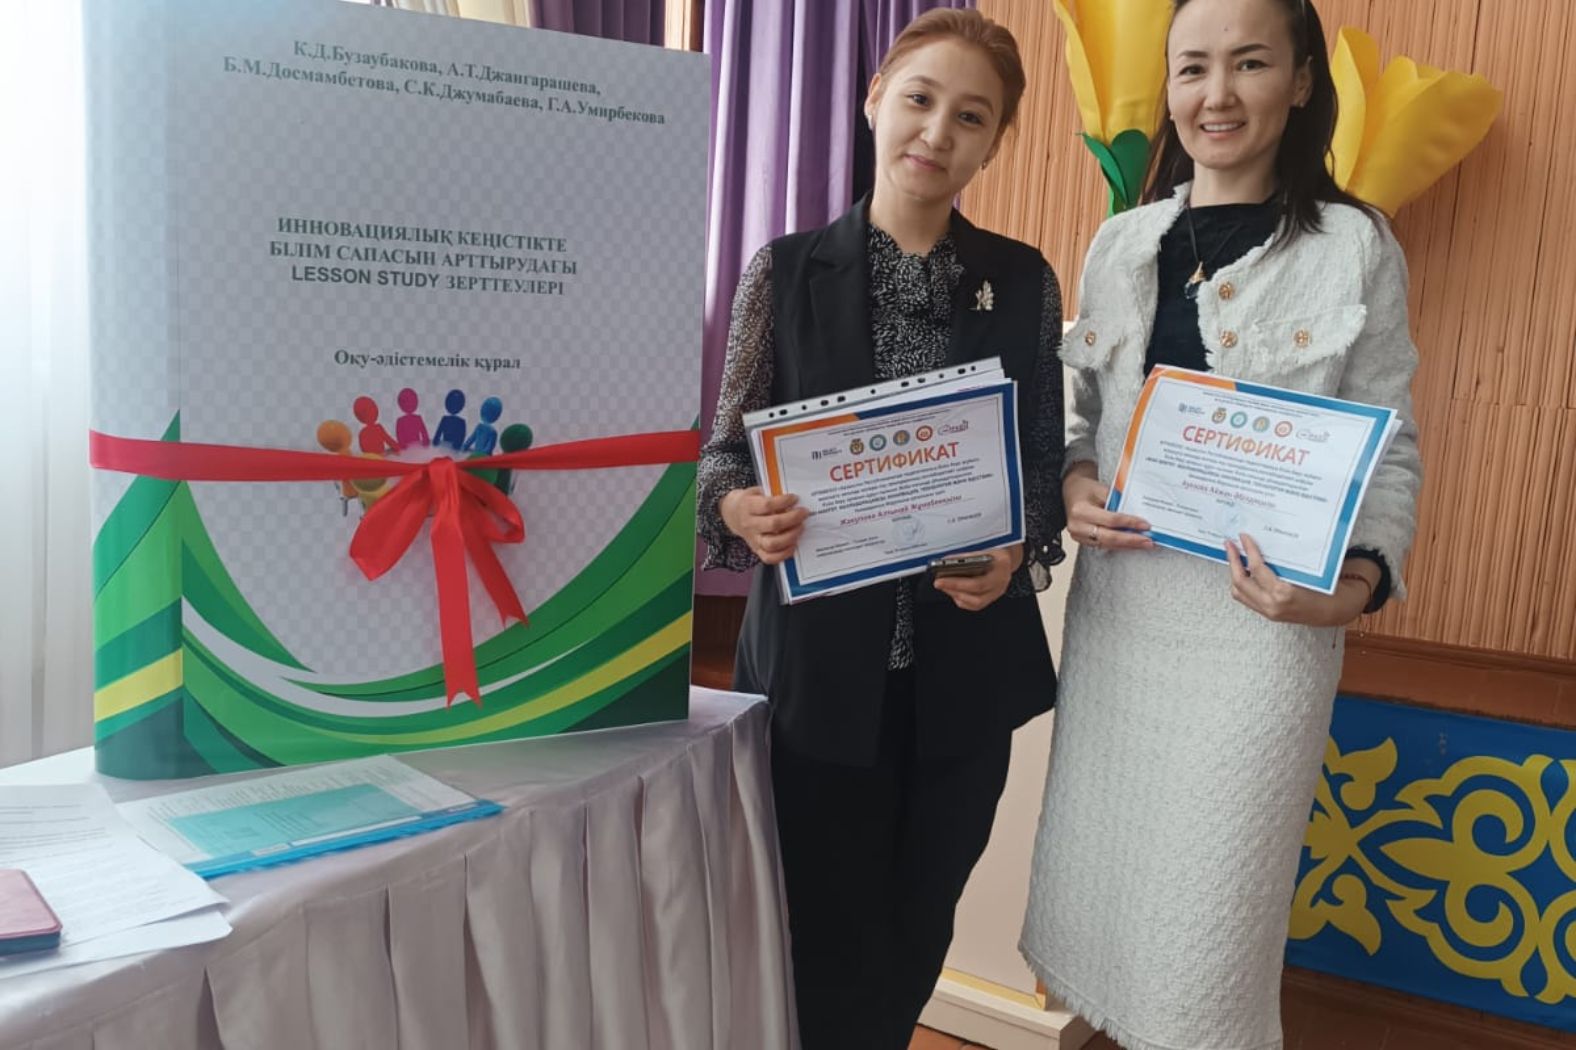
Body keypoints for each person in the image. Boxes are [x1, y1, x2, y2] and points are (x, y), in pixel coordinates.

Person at [1018, 1, 1422, 1048]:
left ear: (1300, 80)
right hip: (1123, 617)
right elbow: (1078, 419)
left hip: (1263, 633)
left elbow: (1389, 444)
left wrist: (1348, 591)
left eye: (1249, 64)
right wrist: (1073, 485)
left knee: (1210, 929)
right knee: (1111, 896)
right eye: (1192, 68)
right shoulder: (1122, 241)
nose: (1217, 94)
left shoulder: (1353, 246)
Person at [697, 9, 1066, 1047]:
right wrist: (738, 508)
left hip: (961, 677)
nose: (937, 132)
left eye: (971, 117)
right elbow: (721, 458)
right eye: (919, 98)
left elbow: (1041, 468)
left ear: (996, 142)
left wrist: (1015, 548)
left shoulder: (1023, 281)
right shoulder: (785, 270)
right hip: (820, 672)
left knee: (917, 921)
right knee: (814, 928)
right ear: (874, 101)